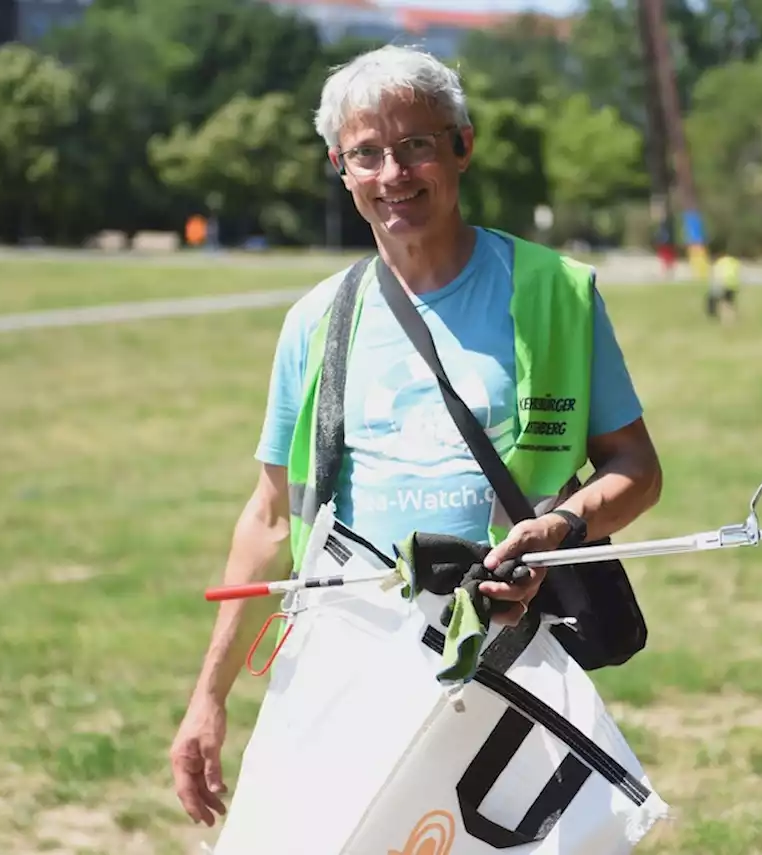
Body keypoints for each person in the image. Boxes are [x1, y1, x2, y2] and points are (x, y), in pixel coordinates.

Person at [168, 45, 664, 829]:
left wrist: (562, 527)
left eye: (415, 145)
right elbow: (268, 517)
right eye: (366, 154)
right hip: (346, 658)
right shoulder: (315, 321)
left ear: (461, 145)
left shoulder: (556, 293)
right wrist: (209, 696)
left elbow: (636, 467)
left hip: (505, 657)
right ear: (340, 167)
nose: (393, 174)